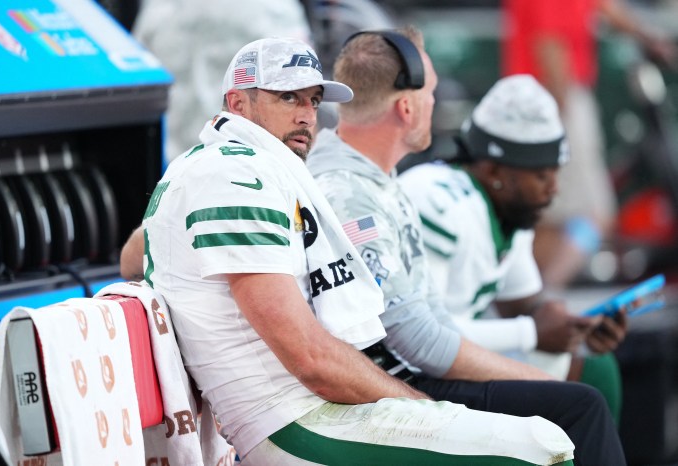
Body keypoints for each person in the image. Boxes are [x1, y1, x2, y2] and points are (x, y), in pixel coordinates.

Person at [131, 36, 577, 465]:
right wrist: (419, 406)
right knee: (541, 444)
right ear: (238, 103)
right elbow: (312, 359)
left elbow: (135, 252)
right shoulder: (234, 176)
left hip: (302, 408)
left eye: (313, 100)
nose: (307, 116)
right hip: (291, 423)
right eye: (288, 98)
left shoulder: (214, 167)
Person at [307, 28, 625, 465]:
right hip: (383, 390)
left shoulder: (376, 180)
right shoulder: (351, 193)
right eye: (432, 92)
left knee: (580, 393)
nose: (436, 103)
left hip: (404, 374)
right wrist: (534, 376)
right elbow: (418, 340)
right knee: (577, 404)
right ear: (406, 106)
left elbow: (435, 321)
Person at [399, 74, 628, 424]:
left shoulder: (507, 209)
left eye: (556, 174)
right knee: (578, 396)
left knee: (592, 366)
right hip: (407, 376)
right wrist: (535, 332)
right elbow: (424, 337)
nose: (553, 190)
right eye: (542, 176)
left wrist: (577, 328)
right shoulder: (437, 200)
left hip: (449, 361)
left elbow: (524, 306)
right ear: (493, 169)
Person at [501, 0, 677, 288]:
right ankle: (540, 299)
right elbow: (549, 42)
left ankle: (534, 298)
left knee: (554, 215)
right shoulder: (554, 102)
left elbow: (604, 6)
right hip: (553, 96)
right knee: (586, 214)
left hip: (555, 95)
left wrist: (648, 36)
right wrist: (556, 117)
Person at [132, 0, 311, 163]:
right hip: (247, 167)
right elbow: (300, 86)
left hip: (170, 164)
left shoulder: (159, 8)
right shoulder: (274, 10)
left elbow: (135, 81)